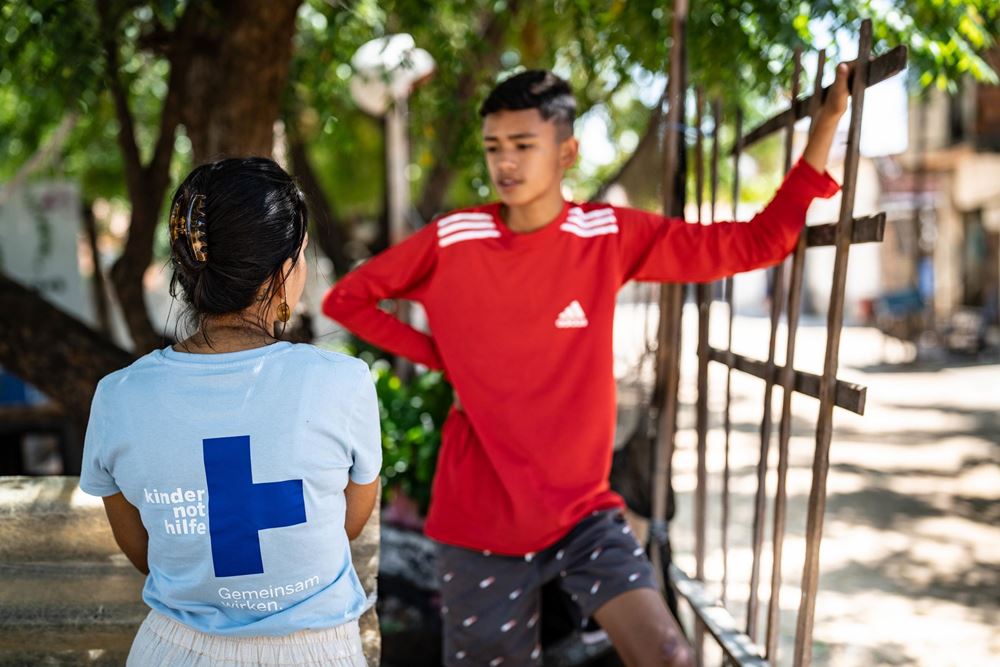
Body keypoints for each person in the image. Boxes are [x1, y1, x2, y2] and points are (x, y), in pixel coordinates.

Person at [324, 65, 850, 666]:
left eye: (524, 145)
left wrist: (825, 126)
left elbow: (757, 243)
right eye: (494, 147)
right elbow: (348, 299)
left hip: (582, 513)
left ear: (567, 151)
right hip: (480, 522)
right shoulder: (455, 238)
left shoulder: (605, 234)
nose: (506, 162)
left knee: (669, 654)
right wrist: (447, 360)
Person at [80, 157, 381, 667]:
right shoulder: (343, 382)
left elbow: (144, 552)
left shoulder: (118, 396)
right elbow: (345, 523)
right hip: (317, 653)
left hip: (172, 652)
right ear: (284, 270)